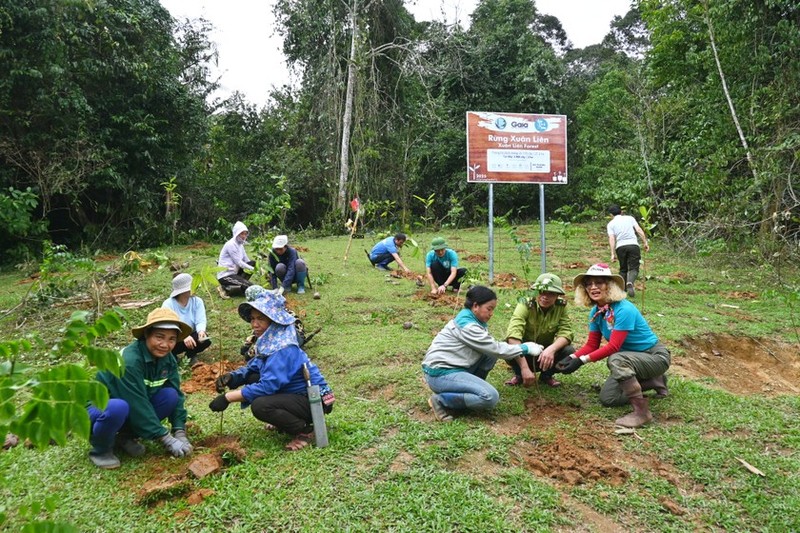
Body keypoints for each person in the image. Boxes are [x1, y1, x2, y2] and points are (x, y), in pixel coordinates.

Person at [209, 291, 334, 451]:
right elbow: (255, 366)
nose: (255, 324)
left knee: (261, 406)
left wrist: (227, 398)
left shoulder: (283, 347)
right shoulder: (270, 340)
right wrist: (233, 377)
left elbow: (268, 386)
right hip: (297, 395)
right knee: (254, 377)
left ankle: (305, 430)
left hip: (315, 400)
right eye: (253, 318)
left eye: (261, 318)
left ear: (274, 321)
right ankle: (287, 418)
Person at [556, 263, 670, 428]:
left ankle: (642, 413)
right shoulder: (597, 312)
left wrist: (581, 361)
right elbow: (592, 345)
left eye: (599, 282)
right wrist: (572, 357)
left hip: (654, 357)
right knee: (608, 399)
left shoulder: (624, 309)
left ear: (610, 286)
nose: (593, 287)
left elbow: (614, 346)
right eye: (588, 284)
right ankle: (655, 382)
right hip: (631, 359)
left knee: (615, 358)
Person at [86, 308, 194, 469]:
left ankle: (125, 437)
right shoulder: (129, 361)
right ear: (146, 335)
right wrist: (166, 438)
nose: (165, 345)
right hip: (98, 410)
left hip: (130, 408)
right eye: (159, 337)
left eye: (172, 339)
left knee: (170, 396)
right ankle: (101, 450)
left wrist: (179, 431)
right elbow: (136, 403)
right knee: (117, 408)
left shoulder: (168, 359)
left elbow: (176, 395)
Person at [421, 285, 542, 422]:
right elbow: (497, 349)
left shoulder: (472, 319)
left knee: (489, 355)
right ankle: (441, 401)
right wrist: (526, 348)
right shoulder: (468, 326)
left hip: (453, 368)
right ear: (475, 306)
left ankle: (469, 391)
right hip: (441, 374)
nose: (491, 313)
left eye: (493, 310)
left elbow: (491, 350)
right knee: (490, 397)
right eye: (489, 309)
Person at [504, 273, 575, 388]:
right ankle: (519, 375)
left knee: (568, 350)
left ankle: (546, 375)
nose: (545, 297)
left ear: (558, 295)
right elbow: (513, 334)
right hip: (525, 351)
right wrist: (524, 368)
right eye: (541, 292)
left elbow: (566, 333)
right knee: (508, 346)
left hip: (545, 353)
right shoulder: (525, 303)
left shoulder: (561, 307)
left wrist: (551, 349)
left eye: (551, 293)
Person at [161, 273, 211, 366]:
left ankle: (191, 355)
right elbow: (168, 324)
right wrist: (183, 336)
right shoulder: (168, 304)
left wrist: (201, 331)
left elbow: (200, 319)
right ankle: (171, 356)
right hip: (174, 336)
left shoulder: (197, 301)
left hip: (191, 334)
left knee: (204, 340)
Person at [607, 205, 650, 297]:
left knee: (623, 269)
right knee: (634, 268)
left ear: (611, 215)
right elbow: (638, 230)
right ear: (621, 212)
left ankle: (622, 289)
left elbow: (612, 238)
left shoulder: (610, 224)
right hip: (633, 245)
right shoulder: (630, 218)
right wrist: (645, 242)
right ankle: (630, 282)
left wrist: (612, 253)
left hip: (620, 247)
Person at [216, 221, 256, 298]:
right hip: (226, 275)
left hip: (234, 272)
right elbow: (239, 262)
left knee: (252, 263)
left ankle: (239, 283)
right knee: (250, 287)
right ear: (236, 234)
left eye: (245, 234)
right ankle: (225, 288)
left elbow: (246, 259)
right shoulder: (231, 244)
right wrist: (253, 269)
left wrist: (257, 268)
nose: (244, 236)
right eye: (242, 234)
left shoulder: (240, 244)